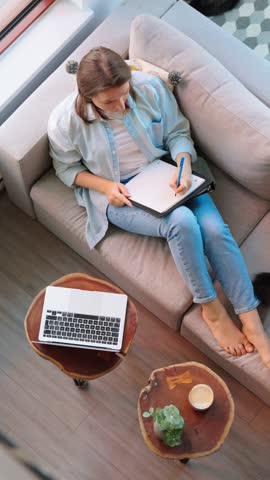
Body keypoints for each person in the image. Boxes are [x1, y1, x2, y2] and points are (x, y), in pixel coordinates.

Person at [48, 47, 270, 367]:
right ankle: (211, 309)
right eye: (110, 102)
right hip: (121, 194)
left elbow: (178, 132)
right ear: (87, 96)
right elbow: (66, 170)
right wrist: (106, 186)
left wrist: (182, 162)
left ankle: (251, 321)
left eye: (124, 95)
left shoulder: (149, 88)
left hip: (166, 175)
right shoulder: (64, 122)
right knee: (180, 221)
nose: (122, 106)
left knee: (212, 228)